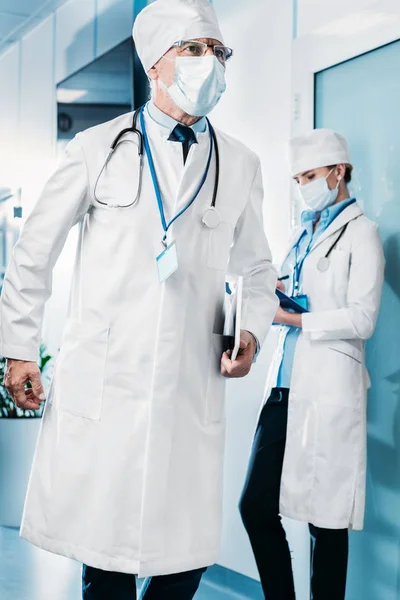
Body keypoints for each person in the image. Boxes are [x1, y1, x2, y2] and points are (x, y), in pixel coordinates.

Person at [0, 0, 278, 599]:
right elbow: (33, 252)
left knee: (184, 561)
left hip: (186, 388)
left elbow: (256, 267)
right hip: (110, 386)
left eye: (219, 51)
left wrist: (250, 331)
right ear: (156, 64)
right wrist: (19, 347)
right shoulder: (99, 147)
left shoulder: (240, 163)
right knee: (106, 562)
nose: (213, 63)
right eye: (196, 49)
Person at [239, 129, 385, 600]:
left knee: (328, 519)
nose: (303, 184)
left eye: (310, 175)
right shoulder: (304, 230)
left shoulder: (362, 234)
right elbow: (289, 292)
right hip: (284, 385)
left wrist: (298, 318)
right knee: (255, 506)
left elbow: (363, 318)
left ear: (338, 172)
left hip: (327, 387)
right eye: (298, 177)